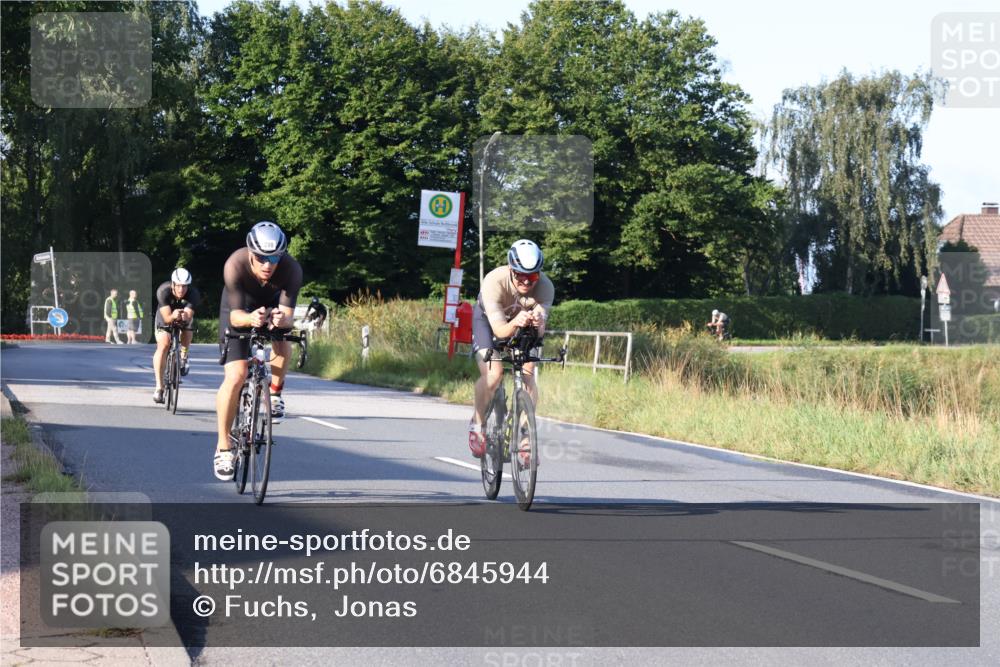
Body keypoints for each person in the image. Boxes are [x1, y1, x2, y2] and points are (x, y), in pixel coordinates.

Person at [213, 221, 303, 480]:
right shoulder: (235, 265)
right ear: (251, 253)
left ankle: (274, 393)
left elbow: (288, 317)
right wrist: (252, 319)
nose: (268, 264)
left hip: (272, 304)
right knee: (236, 376)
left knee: (282, 337)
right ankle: (223, 447)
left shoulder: (291, 270)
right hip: (239, 307)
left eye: (274, 257)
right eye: (261, 257)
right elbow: (236, 316)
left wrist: (279, 320)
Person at [468, 239, 554, 460]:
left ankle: (524, 437)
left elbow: (540, 332)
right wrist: (516, 321)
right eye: (520, 275)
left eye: (532, 276)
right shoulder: (494, 281)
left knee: (528, 373)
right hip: (488, 323)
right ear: (511, 270)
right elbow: (500, 330)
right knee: (494, 374)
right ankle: (477, 424)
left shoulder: (546, 287)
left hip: (520, 325)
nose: (526, 281)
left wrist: (538, 323)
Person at [152, 268, 201, 403]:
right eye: (178, 285)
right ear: (172, 284)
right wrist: (173, 316)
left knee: (188, 325)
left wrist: (184, 316)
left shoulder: (193, 294)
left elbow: (189, 315)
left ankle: (184, 356)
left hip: (183, 316)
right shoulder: (163, 291)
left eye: (184, 286)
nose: (181, 289)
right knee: (163, 345)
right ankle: (159, 387)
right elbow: (167, 318)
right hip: (165, 315)